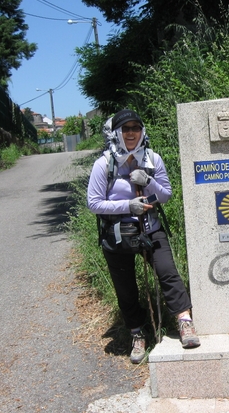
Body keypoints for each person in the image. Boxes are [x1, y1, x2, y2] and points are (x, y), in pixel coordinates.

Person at [87, 109, 200, 364]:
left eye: (135, 128)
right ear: (116, 133)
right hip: (117, 233)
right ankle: (137, 334)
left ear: (142, 131)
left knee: (168, 272)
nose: (130, 133)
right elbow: (94, 203)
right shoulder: (104, 163)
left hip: (149, 227)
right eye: (125, 129)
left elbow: (166, 195)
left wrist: (148, 180)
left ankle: (184, 322)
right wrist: (129, 206)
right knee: (125, 288)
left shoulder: (152, 159)